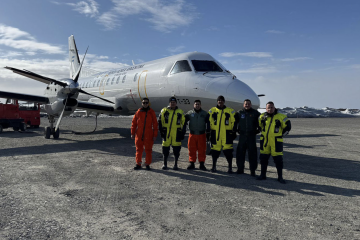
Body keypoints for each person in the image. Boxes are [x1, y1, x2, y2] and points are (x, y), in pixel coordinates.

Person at [257, 101, 291, 184]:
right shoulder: (262, 116)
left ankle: (280, 177)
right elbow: (259, 126)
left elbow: (288, 127)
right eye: (268, 107)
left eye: (271, 107)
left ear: (274, 107)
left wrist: (280, 135)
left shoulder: (281, 117)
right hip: (265, 141)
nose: (270, 109)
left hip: (276, 142)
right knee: (263, 159)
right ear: (266, 108)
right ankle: (263, 175)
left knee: (278, 160)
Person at [206, 96, 239, 173]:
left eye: (222, 100)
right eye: (219, 100)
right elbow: (208, 121)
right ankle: (213, 166)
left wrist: (234, 132)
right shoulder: (212, 110)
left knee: (228, 151)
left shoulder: (230, 111)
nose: (220, 102)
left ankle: (230, 168)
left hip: (227, 134)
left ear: (224, 101)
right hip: (215, 134)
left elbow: (235, 121)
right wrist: (208, 132)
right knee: (215, 151)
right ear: (217, 101)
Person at [158, 97, 186, 170]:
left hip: (176, 132)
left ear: (176, 103)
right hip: (166, 132)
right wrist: (161, 131)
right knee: (165, 149)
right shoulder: (164, 111)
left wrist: (183, 132)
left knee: (176, 150)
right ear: (169, 103)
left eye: (174, 102)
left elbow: (184, 122)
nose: (172, 104)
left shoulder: (180, 111)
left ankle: (175, 164)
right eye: (171, 102)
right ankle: (165, 164)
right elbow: (160, 121)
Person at [131, 98, 158, 170]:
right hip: (139, 134)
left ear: (148, 103)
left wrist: (155, 135)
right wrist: (132, 133)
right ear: (142, 104)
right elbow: (134, 123)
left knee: (148, 150)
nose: (145, 104)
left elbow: (155, 124)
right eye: (144, 103)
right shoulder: (138, 112)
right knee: (138, 149)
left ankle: (147, 164)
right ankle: (138, 163)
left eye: (146, 103)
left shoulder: (151, 112)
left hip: (148, 133)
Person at [236, 99, 261, 176]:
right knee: (240, 153)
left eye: (248, 104)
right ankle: (240, 169)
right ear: (243, 105)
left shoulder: (255, 113)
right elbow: (234, 122)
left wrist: (258, 130)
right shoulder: (239, 113)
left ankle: (252, 170)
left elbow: (261, 121)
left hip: (251, 136)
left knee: (252, 154)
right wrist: (236, 129)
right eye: (246, 104)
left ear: (251, 105)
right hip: (242, 136)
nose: (247, 105)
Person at [184, 100, 208, 170]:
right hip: (192, 134)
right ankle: (192, 163)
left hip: (201, 134)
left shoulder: (204, 114)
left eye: (198, 104)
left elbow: (209, 122)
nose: (197, 105)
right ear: (193, 105)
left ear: (200, 105)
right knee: (191, 149)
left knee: (202, 149)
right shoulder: (189, 113)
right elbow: (184, 120)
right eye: (196, 104)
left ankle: (201, 164)